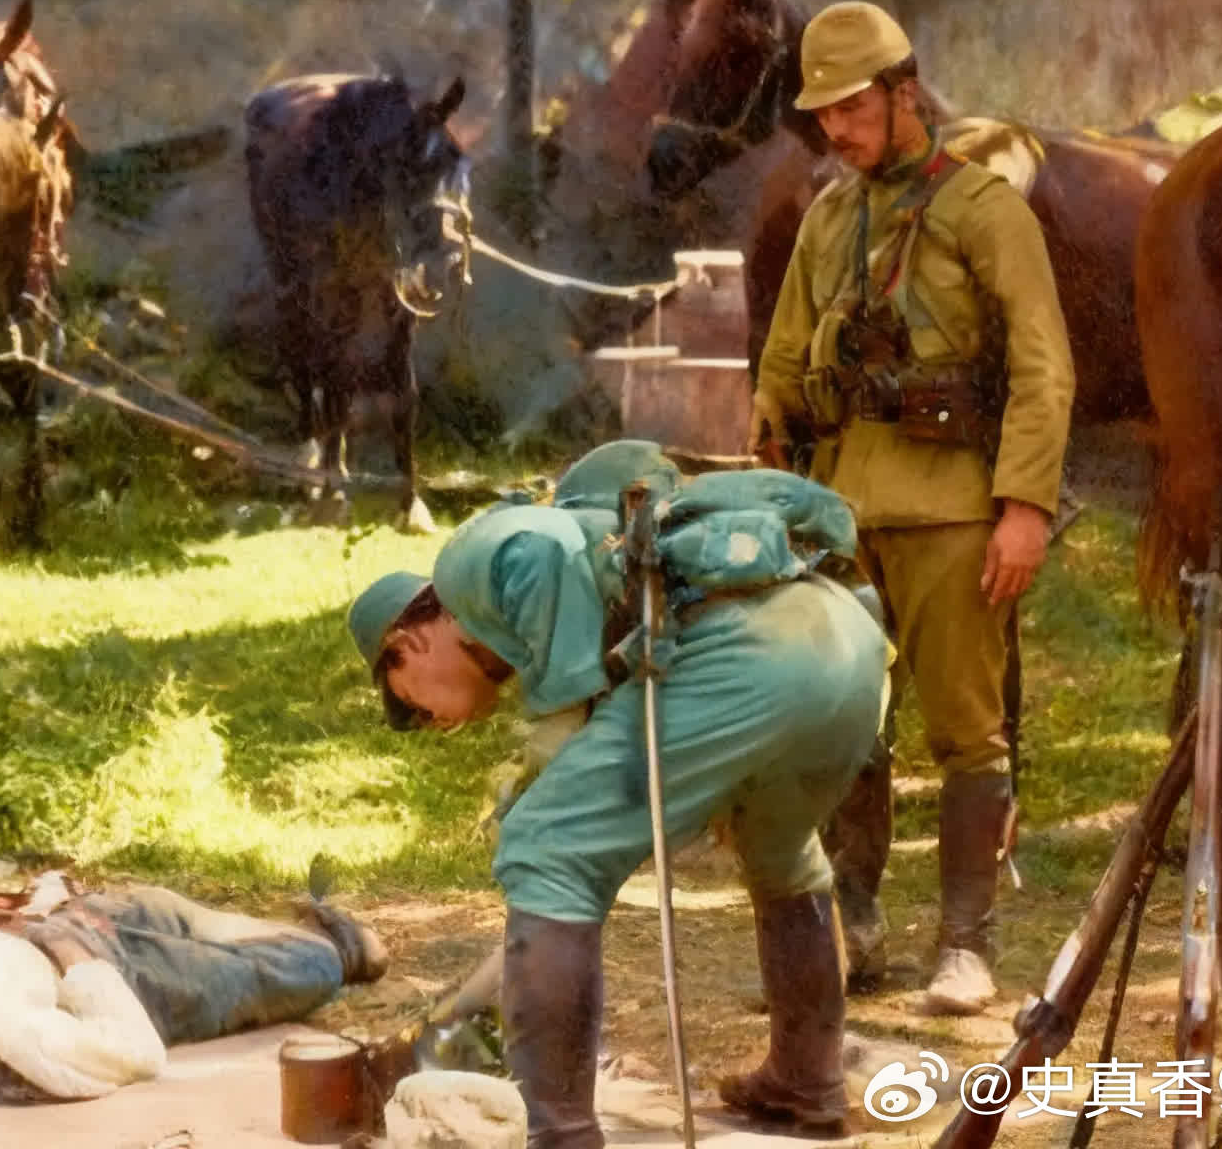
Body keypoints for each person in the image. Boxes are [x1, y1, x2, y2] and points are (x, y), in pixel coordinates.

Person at [346, 441, 888, 1145]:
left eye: (409, 706)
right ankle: (806, 1083)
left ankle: (561, 1133)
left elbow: (540, 550)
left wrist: (550, 779)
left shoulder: (467, 564)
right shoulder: (547, 602)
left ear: (406, 644)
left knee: (547, 852)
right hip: (844, 646)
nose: (429, 721)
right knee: (781, 850)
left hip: (754, 654)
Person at [751, 2, 1075, 1014]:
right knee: (842, 724)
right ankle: (852, 927)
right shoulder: (827, 218)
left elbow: (1043, 366)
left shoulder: (985, 211)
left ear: (904, 92)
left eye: (852, 108)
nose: (836, 130)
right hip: (843, 513)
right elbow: (784, 358)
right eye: (822, 114)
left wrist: (1024, 506)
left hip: (953, 509)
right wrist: (775, 450)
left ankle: (966, 945)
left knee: (969, 731)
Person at [0, 883, 387, 1107]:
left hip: (64, 937)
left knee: (170, 916)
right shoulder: (13, 1039)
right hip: (83, 956)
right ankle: (334, 948)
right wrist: (69, 948)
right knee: (293, 966)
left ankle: (306, 941)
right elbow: (138, 1049)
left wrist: (65, 946)